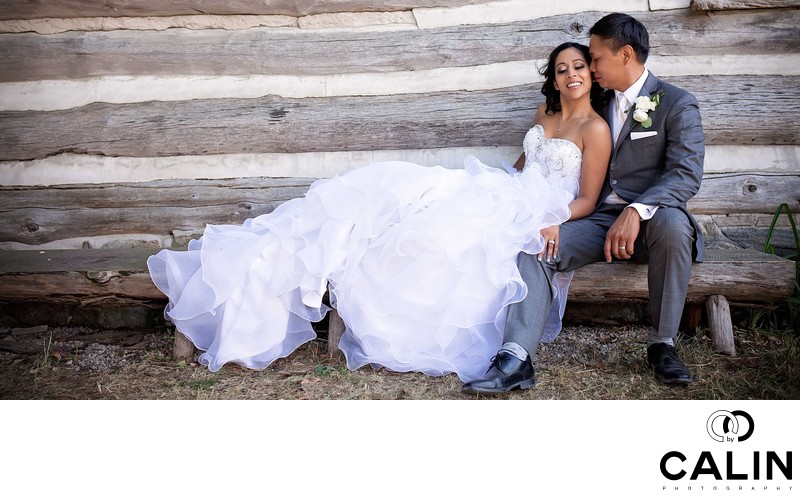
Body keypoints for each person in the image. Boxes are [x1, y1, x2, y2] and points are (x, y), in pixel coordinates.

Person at [147, 42, 610, 383]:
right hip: (509, 191)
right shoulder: (544, 114)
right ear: (553, 77)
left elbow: (587, 198)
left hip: (545, 209)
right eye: (561, 68)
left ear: (591, 73)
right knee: (410, 195)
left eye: (578, 67)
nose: (570, 74)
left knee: (451, 243)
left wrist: (552, 219)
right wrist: (492, 185)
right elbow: (521, 166)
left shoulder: (595, 128)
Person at [462, 13, 705, 394]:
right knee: (538, 242)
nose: (589, 67)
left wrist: (635, 210)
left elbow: (685, 174)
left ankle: (663, 345)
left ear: (625, 54)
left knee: (674, 225)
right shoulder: (598, 97)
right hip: (593, 221)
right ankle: (515, 359)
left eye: (594, 58)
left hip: (652, 223)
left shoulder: (676, 103)